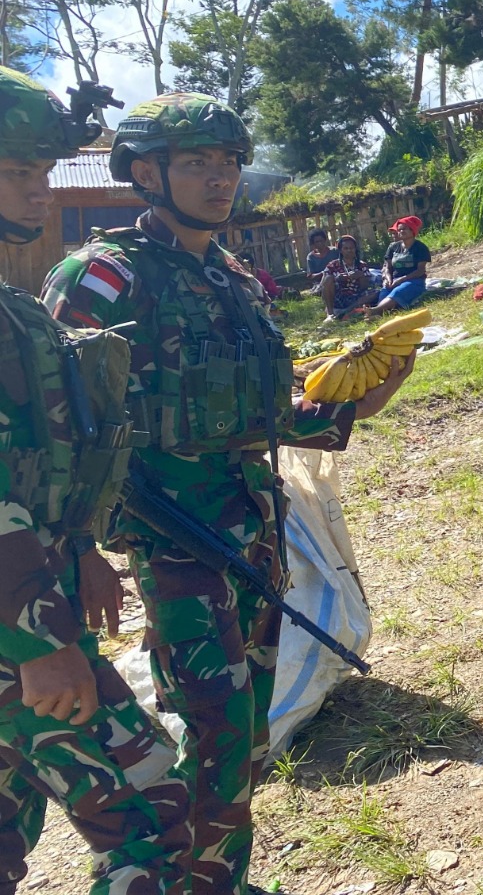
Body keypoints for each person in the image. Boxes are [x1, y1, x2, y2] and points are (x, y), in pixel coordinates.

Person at [42, 93, 416, 893]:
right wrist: (76, 551)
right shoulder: (103, 279)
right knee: (214, 726)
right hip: (173, 541)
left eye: (229, 163)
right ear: (147, 174)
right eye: (196, 163)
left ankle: (218, 877)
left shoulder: (234, 278)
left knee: (242, 730)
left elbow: (262, 411)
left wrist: (362, 399)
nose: (220, 180)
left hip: (253, 532)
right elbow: (53, 431)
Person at [0, 69, 192, 895]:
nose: (39, 192)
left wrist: (78, 547)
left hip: (30, 607)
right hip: (20, 637)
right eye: (18, 172)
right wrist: (42, 644)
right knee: (155, 820)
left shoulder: (11, 306)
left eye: (43, 172)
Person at [365, 215, 430, 314]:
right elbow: (388, 267)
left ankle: (375, 311)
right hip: (394, 281)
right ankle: (377, 313)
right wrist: (388, 279)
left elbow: (420, 270)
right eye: (399, 230)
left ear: (412, 230)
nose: (401, 231)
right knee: (384, 293)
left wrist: (402, 280)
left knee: (397, 292)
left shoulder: (420, 247)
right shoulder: (393, 247)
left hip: (414, 281)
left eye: (404, 229)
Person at [320, 234, 377, 322]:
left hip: (355, 297)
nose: (349, 250)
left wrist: (361, 276)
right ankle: (330, 314)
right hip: (338, 297)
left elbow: (365, 287)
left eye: (351, 248)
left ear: (355, 249)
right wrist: (337, 278)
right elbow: (324, 284)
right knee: (328, 279)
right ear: (341, 250)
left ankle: (347, 311)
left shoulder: (361, 265)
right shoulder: (333, 265)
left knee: (376, 292)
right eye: (346, 248)